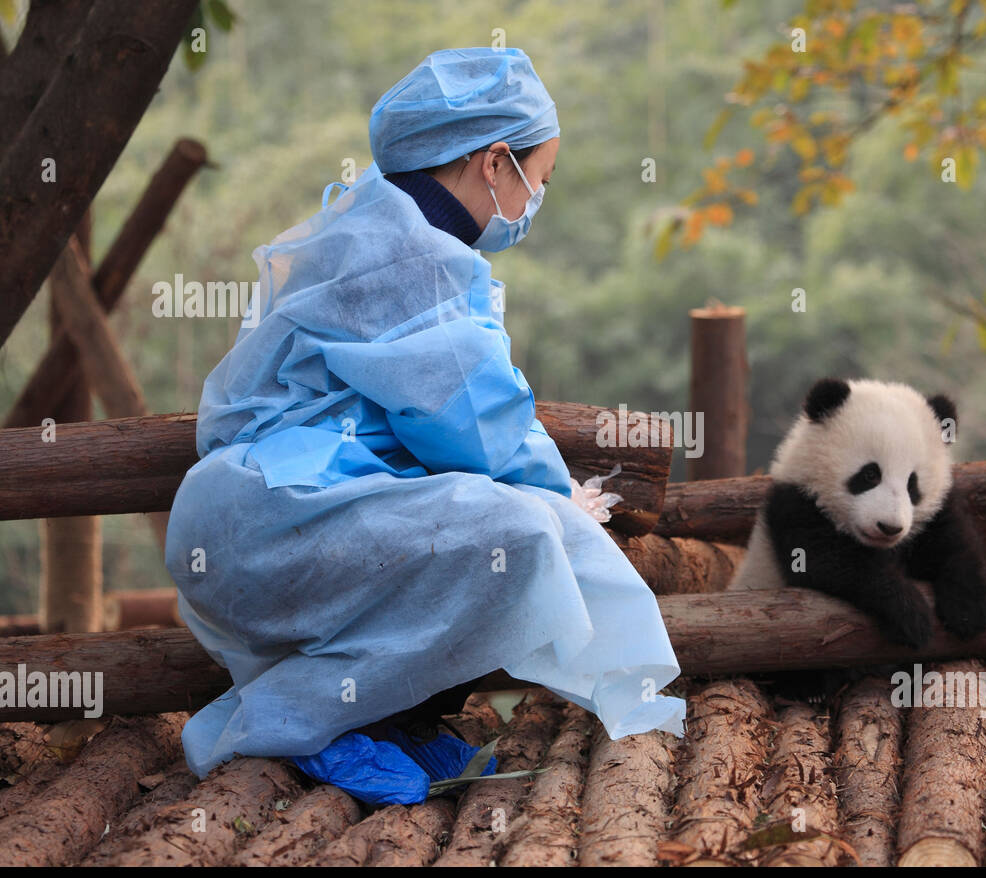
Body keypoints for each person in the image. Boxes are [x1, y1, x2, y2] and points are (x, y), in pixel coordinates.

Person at [165, 48, 686, 794]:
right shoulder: (406, 257)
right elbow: (475, 419)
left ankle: (376, 721)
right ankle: (293, 725)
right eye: (541, 178)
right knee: (528, 535)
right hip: (274, 524)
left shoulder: (378, 228)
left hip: (268, 519)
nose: (538, 198)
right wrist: (561, 494)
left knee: (511, 536)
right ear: (496, 163)